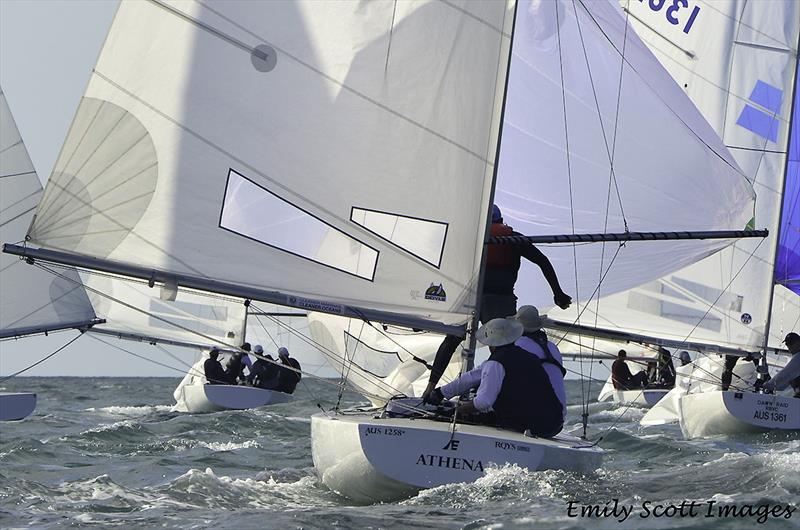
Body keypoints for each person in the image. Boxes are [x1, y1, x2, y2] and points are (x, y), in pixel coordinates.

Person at [423, 204, 572, 400]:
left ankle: (429, 389)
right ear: (501, 221)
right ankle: (495, 394)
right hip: (500, 300)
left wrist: (431, 307)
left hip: (470, 298)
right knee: (505, 348)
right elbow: (542, 261)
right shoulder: (512, 238)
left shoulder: (471, 239)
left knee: (451, 340)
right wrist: (558, 293)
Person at [428, 317, 564, 437]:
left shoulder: (495, 362)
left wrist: (456, 411)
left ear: (491, 344)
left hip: (530, 427)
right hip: (554, 424)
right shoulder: (530, 356)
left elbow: (483, 402)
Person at [512, 305, 567, 420]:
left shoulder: (517, 346)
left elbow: (494, 372)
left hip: (532, 419)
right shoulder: (553, 348)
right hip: (558, 420)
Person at [763, 332, 800, 398]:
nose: (789, 347)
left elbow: (785, 375)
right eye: (787, 344)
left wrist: (768, 385)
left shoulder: (798, 357)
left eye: (791, 343)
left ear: (798, 343)